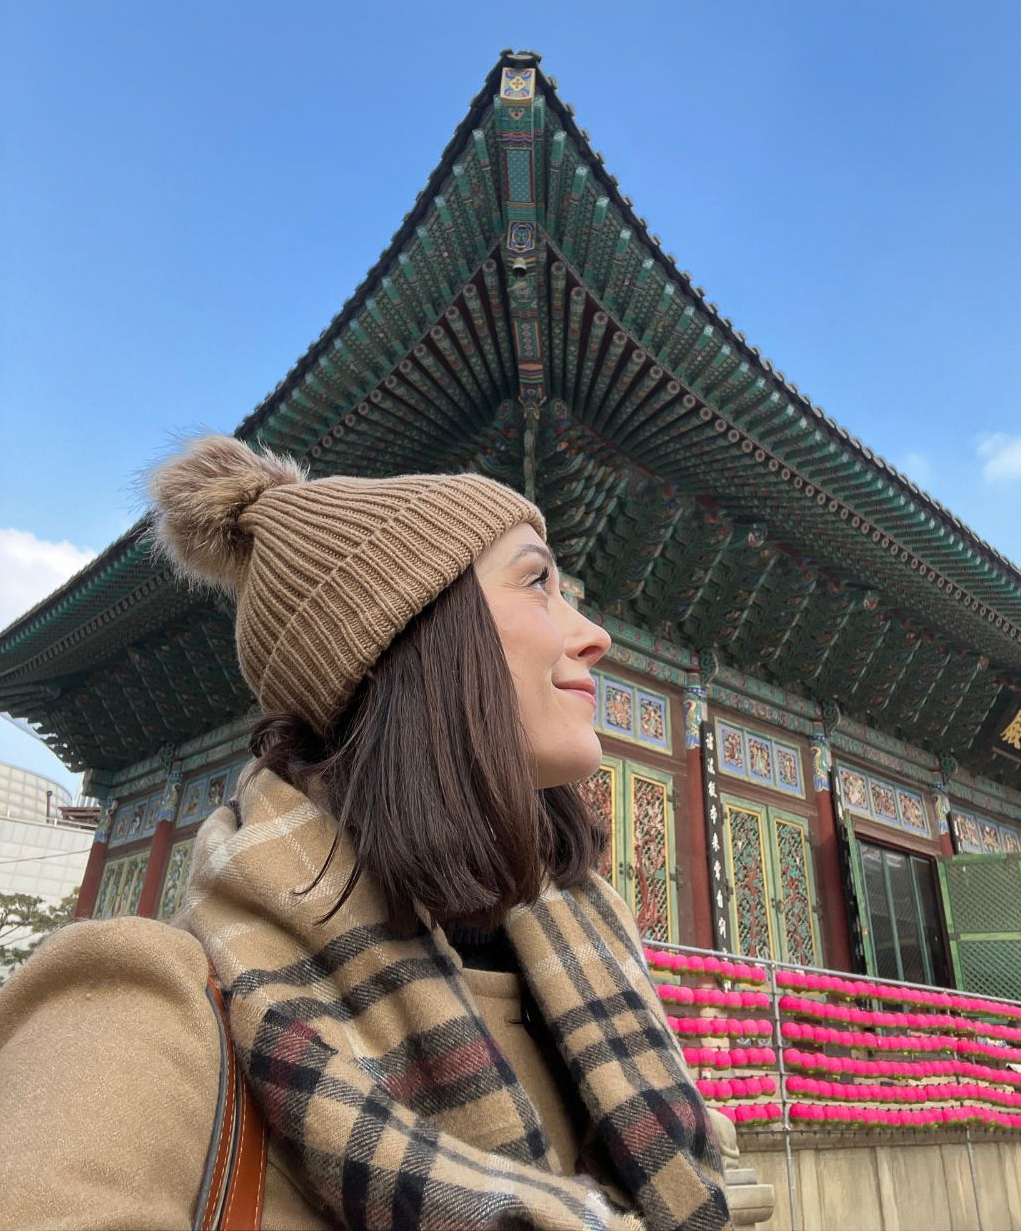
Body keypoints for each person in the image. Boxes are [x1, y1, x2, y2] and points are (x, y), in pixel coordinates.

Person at [0, 435, 729, 1230]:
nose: (595, 634)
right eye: (538, 581)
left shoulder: (597, 978)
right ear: (411, 638)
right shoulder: (141, 1016)